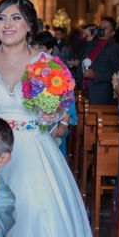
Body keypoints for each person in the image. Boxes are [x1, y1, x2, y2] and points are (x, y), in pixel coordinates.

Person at [0, 0, 98, 237]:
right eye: (1, 18)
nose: (8, 25)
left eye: (16, 18)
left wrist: (52, 115)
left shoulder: (46, 64)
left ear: (29, 25)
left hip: (34, 152)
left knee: (37, 219)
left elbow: (61, 108)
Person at [31, 30, 77, 158]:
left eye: (40, 47)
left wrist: (63, 124)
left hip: (54, 121)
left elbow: (68, 97)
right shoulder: (29, 68)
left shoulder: (58, 68)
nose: (36, 51)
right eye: (33, 47)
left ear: (50, 50)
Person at [82, 16, 119, 104]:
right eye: (100, 27)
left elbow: (116, 73)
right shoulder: (92, 43)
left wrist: (95, 75)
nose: (101, 30)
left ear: (112, 33)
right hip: (85, 90)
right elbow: (82, 58)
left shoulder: (114, 48)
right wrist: (89, 38)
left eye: (105, 28)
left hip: (101, 94)